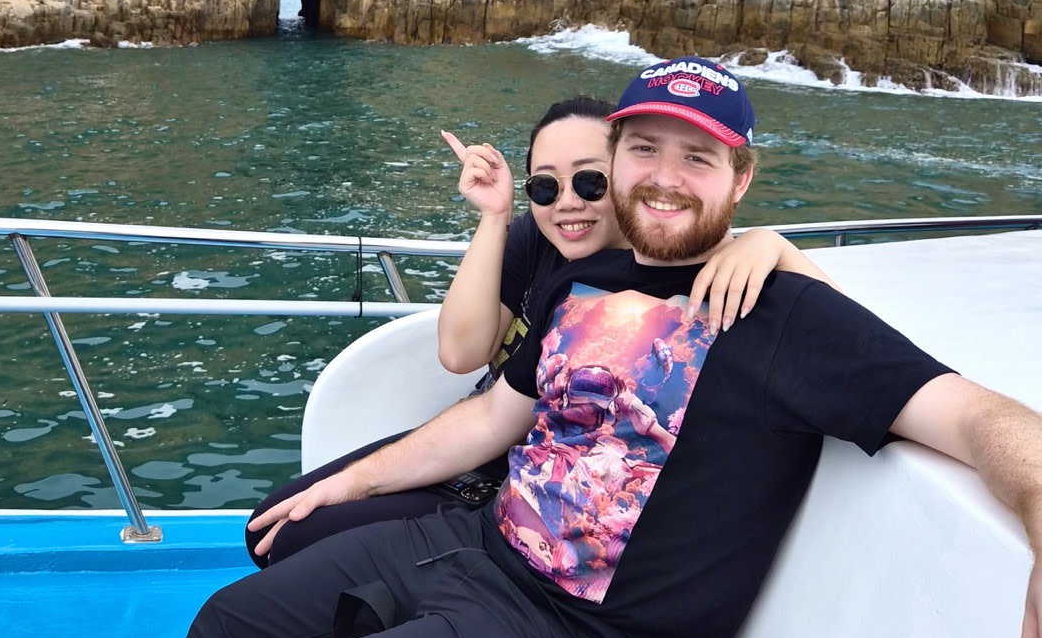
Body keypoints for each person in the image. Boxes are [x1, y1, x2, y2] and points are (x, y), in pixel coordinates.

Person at [189, 56, 1042, 638]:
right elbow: (493, 414)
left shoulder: (785, 315)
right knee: (230, 620)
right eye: (644, 150)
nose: (665, 177)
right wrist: (348, 481)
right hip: (475, 544)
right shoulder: (577, 279)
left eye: (697, 157)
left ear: (739, 179)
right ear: (620, 158)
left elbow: (975, 418)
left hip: (573, 625)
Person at [244, 95, 835, 566]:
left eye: (590, 183)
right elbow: (460, 351)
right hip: (471, 449)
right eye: (545, 187)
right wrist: (497, 216)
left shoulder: (673, 275)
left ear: (627, 177)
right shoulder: (540, 236)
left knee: (298, 542)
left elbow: (832, 334)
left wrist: (772, 244)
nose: (567, 204)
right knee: (272, 524)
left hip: (535, 487)